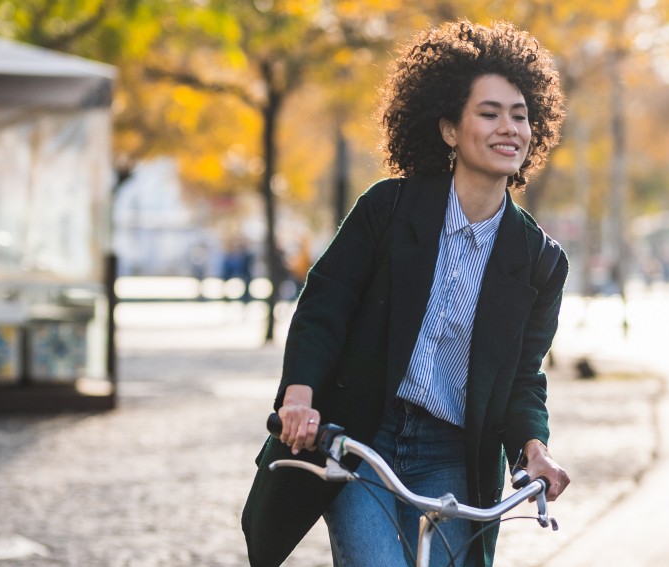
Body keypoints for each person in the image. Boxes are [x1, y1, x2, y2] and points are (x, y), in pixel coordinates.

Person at [241, 20, 571, 567]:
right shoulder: (388, 210)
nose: (508, 127)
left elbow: (522, 377)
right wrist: (299, 395)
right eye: (489, 113)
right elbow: (326, 306)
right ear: (448, 129)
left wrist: (534, 450)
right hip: (363, 436)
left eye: (520, 115)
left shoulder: (539, 260)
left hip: (455, 453)